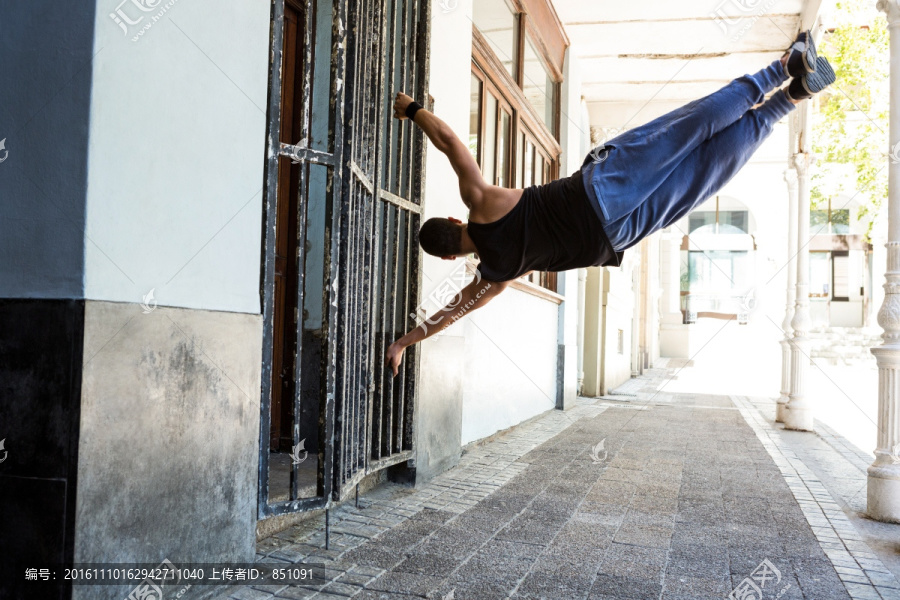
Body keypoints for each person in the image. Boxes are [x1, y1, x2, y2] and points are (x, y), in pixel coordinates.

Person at [384, 31, 834, 376]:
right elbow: (449, 142)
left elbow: (452, 312)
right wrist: (413, 109)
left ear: (450, 255)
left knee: (704, 174)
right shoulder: (480, 202)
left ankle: (790, 99)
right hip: (600, 190)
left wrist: (406, 342)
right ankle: (780, 71)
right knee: (687, 130)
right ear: (450, 219)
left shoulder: (494, 274)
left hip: (616, 235)